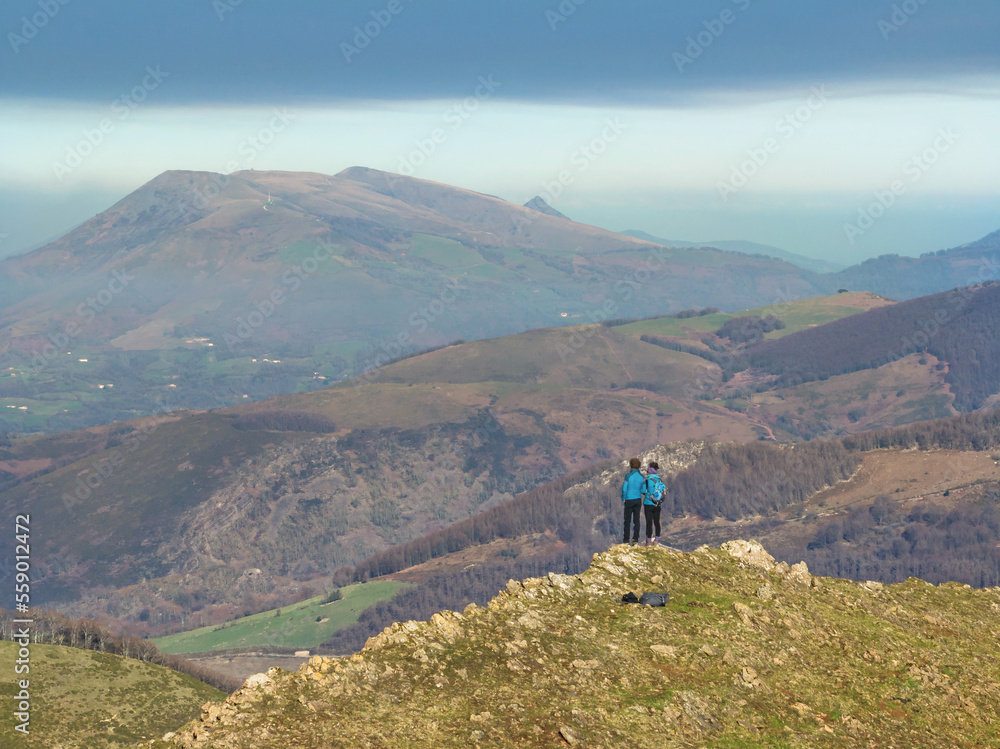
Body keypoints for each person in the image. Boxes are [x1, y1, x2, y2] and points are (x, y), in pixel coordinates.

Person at [621, 457, 645, 545]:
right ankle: (635, 539)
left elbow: (624, 489)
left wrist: (624, 498)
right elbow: (643, 490)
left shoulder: (628, 476)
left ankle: (626, 540)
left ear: (631, 466)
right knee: (636, 520)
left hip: (629, 500)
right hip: (638, 499)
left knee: (627, 520)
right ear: (639, 466)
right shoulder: (642, 477)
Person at [643, 461, 666, 547]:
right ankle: (656, 541)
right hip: (657, 504)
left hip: (648, 503)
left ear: (649, 471)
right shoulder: (660, 480)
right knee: (657, 522)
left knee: (649, 523)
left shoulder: (647, 480)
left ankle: (648, 542)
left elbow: (642, 491)